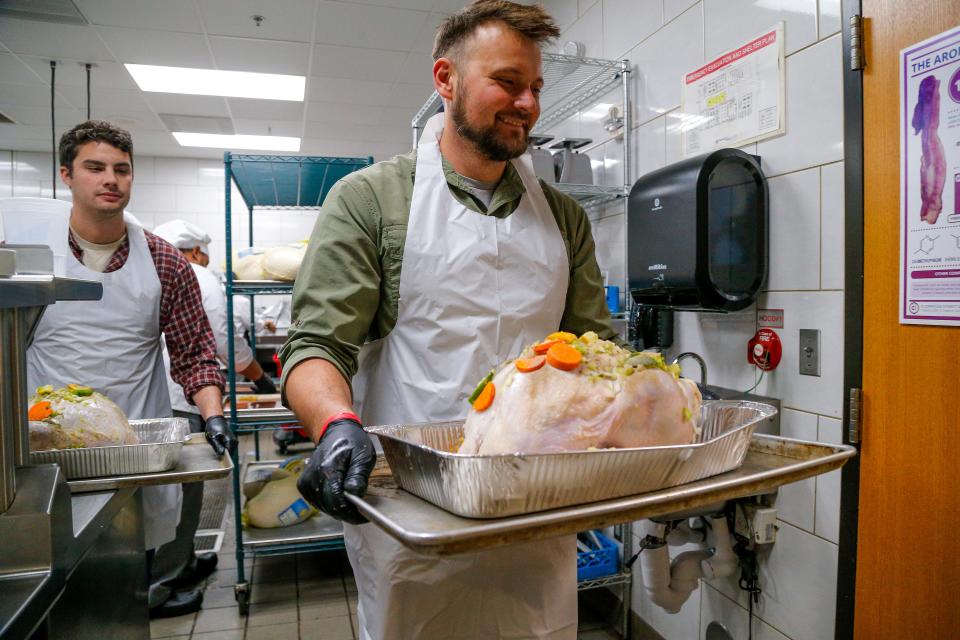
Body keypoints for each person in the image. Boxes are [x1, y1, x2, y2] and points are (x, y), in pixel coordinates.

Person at [279, 2, 619, 638]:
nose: (527, 103)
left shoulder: (565, 217)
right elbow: (318, 344)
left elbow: (595, 350)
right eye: (508, 82)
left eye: (536, 87)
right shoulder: (372, 199)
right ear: (446, 79)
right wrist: (334, 422)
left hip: (535, 499)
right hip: (414, 506)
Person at [26, 120, 235, 619]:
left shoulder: (163, 261)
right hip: (45, 443)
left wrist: (212, 414)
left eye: (121, 170)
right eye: (94, 168)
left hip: (133, 443)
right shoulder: (35, 259)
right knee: (53, 579)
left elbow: (194, 352)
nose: (110, 180)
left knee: (125, 574)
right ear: (66, 175)